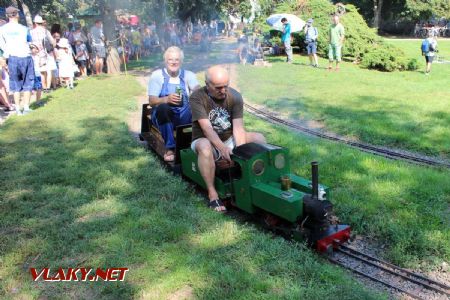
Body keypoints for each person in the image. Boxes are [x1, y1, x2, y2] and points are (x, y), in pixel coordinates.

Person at [189, 66, 266, 212]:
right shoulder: (197, 97)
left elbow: (238, 128)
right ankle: (213, 195)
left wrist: (239, 155)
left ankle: (252, 179)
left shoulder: (235, 96)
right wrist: (222, 149)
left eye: (226, 86)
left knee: (259, 138)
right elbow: (207, 129)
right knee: (205, 146)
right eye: (218, 87)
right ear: (207, 85)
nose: (223, 90)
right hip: (204, 139)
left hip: (229, 138)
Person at [147, 46, 200, 162]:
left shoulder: (188, 75)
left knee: (198, 107)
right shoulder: (157, 75)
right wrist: (166, 99)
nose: (174, 62)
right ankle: (170, 147)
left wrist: (196, 94)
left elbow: (198, 91)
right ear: (165, 61)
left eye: (177, 59)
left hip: (183, 116)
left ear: (181, 61)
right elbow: (151, 101)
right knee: (163, 109)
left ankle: (202, 142)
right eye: (170, 59)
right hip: (164, 118)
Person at [0, 6, 35, 115]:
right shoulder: (24, 28)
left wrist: (5, 56)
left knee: (15, 84)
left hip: (12, 58)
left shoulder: (2, 29)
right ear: (17, 15)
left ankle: (18, 110)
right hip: (25, 56)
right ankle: (26, 107)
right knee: (27, 82)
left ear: (7, 15)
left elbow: (1, 45)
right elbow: (29, 41)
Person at [30, 15, 55, 93]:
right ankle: (48, 87)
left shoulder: (31, 32)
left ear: (35, 23)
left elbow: (30, 44)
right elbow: (52, 42)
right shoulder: (45, 31)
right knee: (49, 71)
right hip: (47, 53)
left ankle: (44, 88)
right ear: (41, 22)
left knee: (42, 72)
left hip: (37, 54)